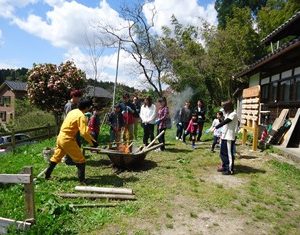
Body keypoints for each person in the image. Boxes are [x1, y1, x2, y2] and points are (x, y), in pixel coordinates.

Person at [45, 99, 98, 183]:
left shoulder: (73, 111)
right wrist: (93, 142)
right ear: (87, 107)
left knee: (56, 157)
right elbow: (84, 132)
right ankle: (82, 180)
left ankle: (47, 175)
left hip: (60, 137)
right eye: (90, 107)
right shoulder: (81, 116)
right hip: (67, 140)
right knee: (81, 159)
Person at [215, 100, 238, 175]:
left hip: (229, 137)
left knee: (229, 154)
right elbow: (223, 120)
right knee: (223, 153)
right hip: (224, 136)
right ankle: (224, 167)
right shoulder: (228, 113)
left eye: (224, 106)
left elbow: (226, 121)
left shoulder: (233, 114)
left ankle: (230, 169)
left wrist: (217, 126)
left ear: (228, 107)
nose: (223, 108)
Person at [63, 89, 82, 165]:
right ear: (73, 97)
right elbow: (69, 118)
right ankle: (68, 160)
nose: (79, 99)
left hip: (75, 128)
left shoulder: (75, 105)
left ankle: (74, 158)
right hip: (70, 128)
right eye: (78, 97)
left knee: (77, 144)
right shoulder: (69, 105)